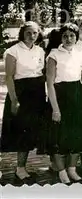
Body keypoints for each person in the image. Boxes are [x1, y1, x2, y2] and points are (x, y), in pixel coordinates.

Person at [1, 22, 47, 182]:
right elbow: (9, 77)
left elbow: (41, 72)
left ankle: (23, 167)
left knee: (32, 132)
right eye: (28, 32)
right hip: (21, 93)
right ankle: (19, 168)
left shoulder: (40, 50)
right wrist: (14, 100)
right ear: (22, 33)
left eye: (35, 33)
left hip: (38, 93)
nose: (32, 36)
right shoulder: (12, 51)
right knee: (20, 132)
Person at [45, 23, 82, 184]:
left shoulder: (80, 54)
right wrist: (55, 108)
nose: (69, 39)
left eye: (72, 36)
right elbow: (49, 83)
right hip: (60, 96)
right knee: (58, 137)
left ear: (76, 37)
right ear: (60, 38)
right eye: (65, 36)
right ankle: (61, 171)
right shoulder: (54, 55)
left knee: (75, 135)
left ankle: (72, 169)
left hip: (76, 95)